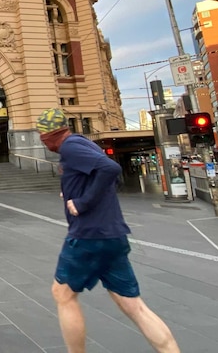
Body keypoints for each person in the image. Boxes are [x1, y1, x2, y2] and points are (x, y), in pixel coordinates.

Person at [37, 108, 180, 353]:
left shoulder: (70, 146)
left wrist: (82, 202)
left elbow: (110, 170)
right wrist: (74, 191)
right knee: (134, 306)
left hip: (89, 236)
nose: (44, 142)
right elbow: (110, 178)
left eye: (43, 136)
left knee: (62, 294)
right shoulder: (85, 143)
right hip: (112, 234)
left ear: (51, 134)